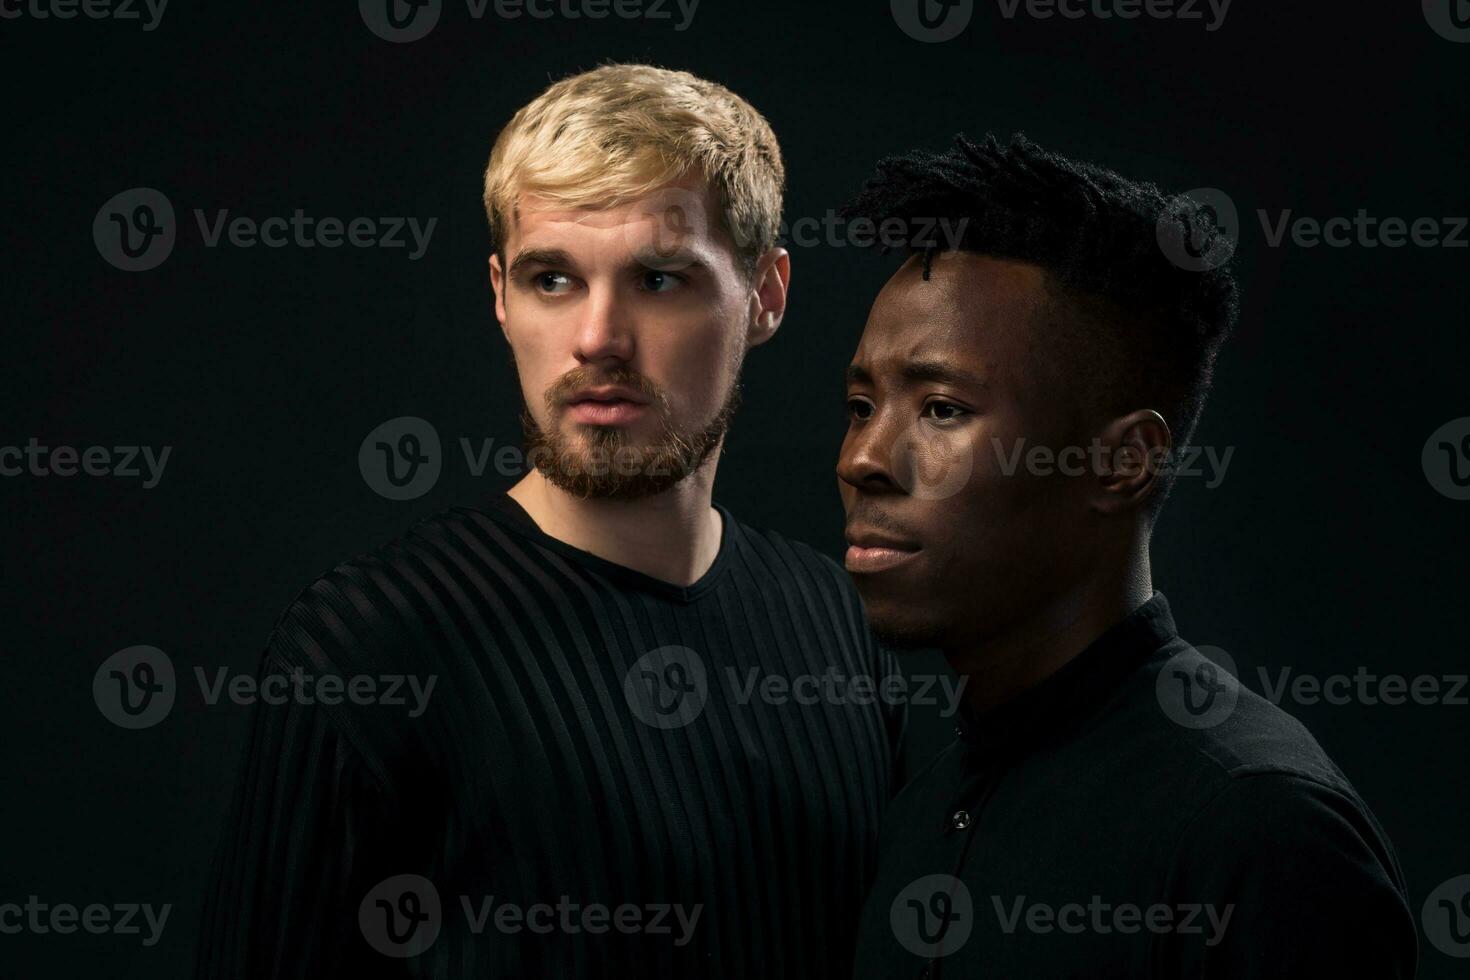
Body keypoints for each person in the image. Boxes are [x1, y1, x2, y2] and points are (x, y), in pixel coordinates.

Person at [196, 63, 905, 979]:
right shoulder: (370, 649)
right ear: (500, 295)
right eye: (553, 279)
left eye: (657, 278)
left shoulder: (839, 620)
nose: (598, 339)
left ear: (765, 295)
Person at [837, 133, 1416, 978]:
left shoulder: (1256, 829)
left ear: (1122, 461)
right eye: (860, 403)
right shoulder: (926, 802)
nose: (863, 457)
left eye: (943, 409)